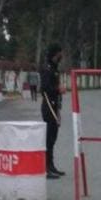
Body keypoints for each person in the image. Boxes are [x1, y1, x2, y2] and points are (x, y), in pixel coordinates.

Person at [40, 44, 66, 179]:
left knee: (53, 137)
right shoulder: (47, 68)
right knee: (48, 138)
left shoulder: (55, 68)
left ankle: (51, 165)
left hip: (55, 105)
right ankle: (45, 167)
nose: (62, 56)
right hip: (48, 106)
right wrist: (58, 89)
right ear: (56, 54)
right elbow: (44, 88)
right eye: (60, 53)